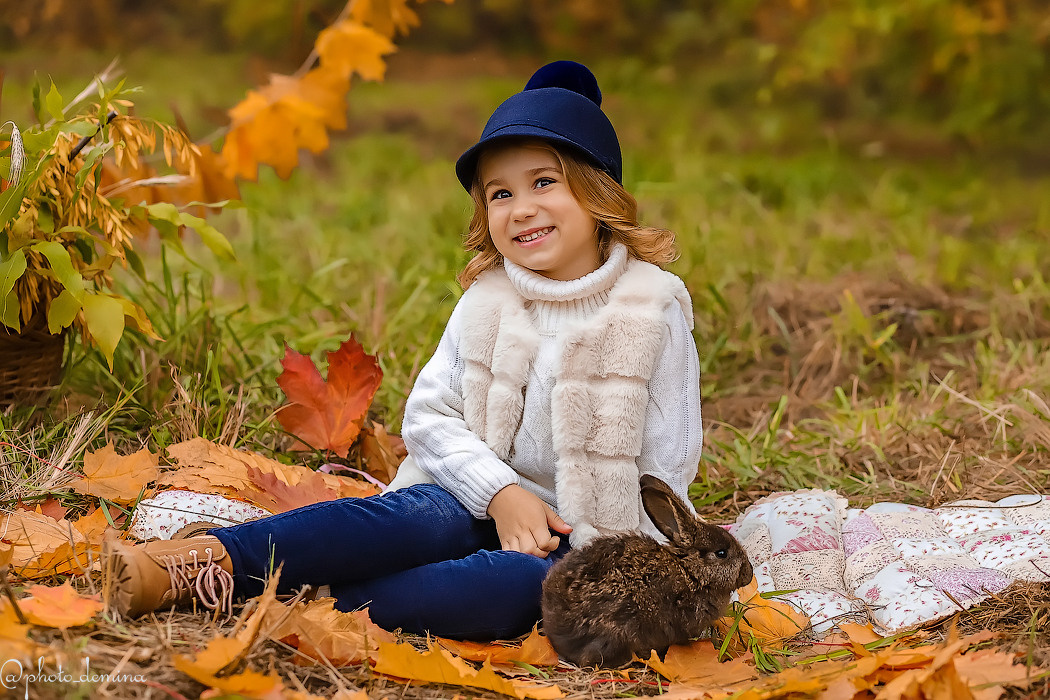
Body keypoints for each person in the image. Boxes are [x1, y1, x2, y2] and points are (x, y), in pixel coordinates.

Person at [103, 60, 703, 641]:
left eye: (544, 182)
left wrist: (616, 563)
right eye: (499, 193)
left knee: (514, 589)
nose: (521, 209)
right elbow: (431, 417)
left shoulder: (650, 308)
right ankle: (205, 563)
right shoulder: (489, 302)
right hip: (468, 497)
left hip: (580, 541)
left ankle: (323, 595)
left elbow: (667, 462)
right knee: (400, 522)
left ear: (598, 194)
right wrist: (500, 493)